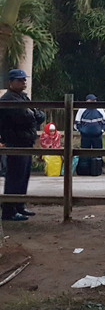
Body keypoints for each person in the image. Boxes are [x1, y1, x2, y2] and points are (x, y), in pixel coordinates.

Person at [0, 69, 45, 221]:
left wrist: (32, 113)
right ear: (10, 83)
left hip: (26, 141)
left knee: (23, 175)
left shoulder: (23, 97)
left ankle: (19, 205)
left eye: (24, 80)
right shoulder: (8, 99)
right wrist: (32, 114)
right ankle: (8, 210)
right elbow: (25, 118)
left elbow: (39, 116)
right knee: (14, 176)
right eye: (19, 80)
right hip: (15, 142)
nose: (23, 82)